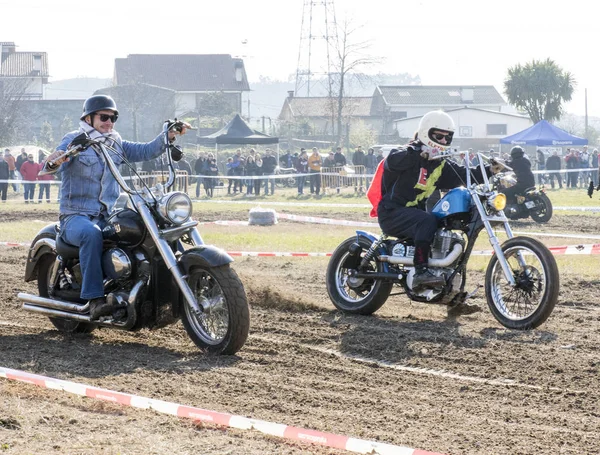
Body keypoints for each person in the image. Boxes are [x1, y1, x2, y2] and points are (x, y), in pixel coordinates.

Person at [46, 94, 186, 320]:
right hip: (76, 217)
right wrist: (56, 160)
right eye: (104, 117)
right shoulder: (75, 139)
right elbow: (54, 163)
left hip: (106, 215)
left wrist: (167, 136)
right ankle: (94, 299)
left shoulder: (114, 143)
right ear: (89, 118)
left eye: (113, 118)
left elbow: (144, 151)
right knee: (91, 234)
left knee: (147, 226)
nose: (109, 122)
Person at [376, 110, 503, 292]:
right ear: (425, 133)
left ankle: (451, 288)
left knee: (448, 230)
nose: (443, 141)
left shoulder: (440, 164)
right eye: (439, 136)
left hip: (415, 215)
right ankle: (420, 272)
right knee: (427, 220)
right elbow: (392, 162)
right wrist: (419, 153)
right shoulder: (405, 153)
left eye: (447, 137)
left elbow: (465, 175)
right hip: (392, 212)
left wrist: (491, 169)